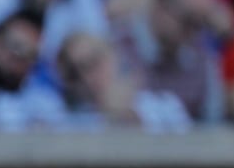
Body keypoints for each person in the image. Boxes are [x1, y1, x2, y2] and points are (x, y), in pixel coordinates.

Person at [56, 31, 191, 131]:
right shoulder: (66, 120)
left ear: (113, 55)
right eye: (74, 73)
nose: (85, 77)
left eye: (92, 61)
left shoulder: (165, 106)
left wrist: (125, 115)